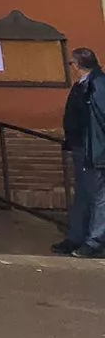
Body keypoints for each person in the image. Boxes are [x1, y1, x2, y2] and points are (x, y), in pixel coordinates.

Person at [55, 47, 105, 256]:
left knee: (98, 197)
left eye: (71, 63)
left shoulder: (98, 85)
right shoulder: (82, 85)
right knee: (83, 195)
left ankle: (94, 242)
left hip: (94, 149)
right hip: (81, 147)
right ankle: (76, 237)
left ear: (79, 65)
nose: (71, 68)